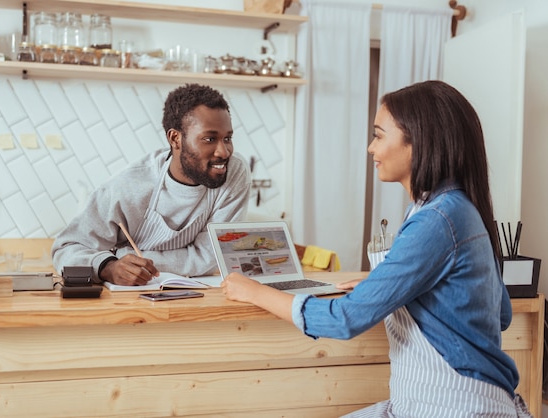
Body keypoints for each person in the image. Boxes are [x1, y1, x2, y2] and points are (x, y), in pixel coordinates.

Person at [221, 80, 532, 417]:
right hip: (436, 401)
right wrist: (389, 287)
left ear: (417, 143)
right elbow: (499, 313)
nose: (371, 148)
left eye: (379, 135)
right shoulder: (452, 208)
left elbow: (344, 319)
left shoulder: (437, 220)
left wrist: (253, 291)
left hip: (452, 404)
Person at [52, 83, 251, 286]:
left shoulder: (234, 173)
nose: (224, 152)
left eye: (228, 138)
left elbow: (212, 257)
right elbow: (65, 249)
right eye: (209, 139)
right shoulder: (128, 186)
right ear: (175, 139)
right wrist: (108, 267)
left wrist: (122, 254)